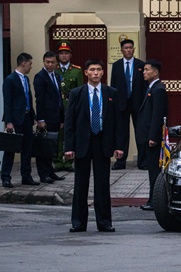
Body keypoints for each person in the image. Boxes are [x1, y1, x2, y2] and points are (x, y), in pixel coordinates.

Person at [64, 59, 125, 233]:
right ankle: (78, 222)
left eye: (99, 69)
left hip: (103, 142)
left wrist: (119, 146)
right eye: (92, 70)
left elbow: (118, 122)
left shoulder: (111, 93)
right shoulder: (77, 93)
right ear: (86, 73)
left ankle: (104, 221)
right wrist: (69, 147)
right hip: (83, 142)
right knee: (80, 184)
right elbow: (70, 123)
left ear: (103, 72)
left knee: (102, 184)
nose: (96, 73)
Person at [0, 53, 39, 188]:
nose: (30, 67)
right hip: (16, 119)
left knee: (27, 148)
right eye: (30, 64)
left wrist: (33, 116)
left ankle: (26, 176)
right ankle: (5, 177)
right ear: (23, 63)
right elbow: (8, 102)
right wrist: (9, 121)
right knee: (10, 148)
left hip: (27, 118)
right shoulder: (10, 79)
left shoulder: (26, 79)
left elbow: (28, 97)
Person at [136, 60, 168, 211]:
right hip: (146, 135)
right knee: (151, 170)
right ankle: (151, 199)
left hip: (152, 137)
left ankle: (154, 200)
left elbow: (157, 115)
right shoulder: (150, 88)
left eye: (147, 70)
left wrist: (153, 137)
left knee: (154, 171)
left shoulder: (158, 89)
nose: (144, 72)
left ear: (155, 72)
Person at [110, 39, 147, 170]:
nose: (128, 50)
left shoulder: (141, 65)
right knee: (121, 133)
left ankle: (143, 162)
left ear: (134, 49)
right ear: (121, 50)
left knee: (141, 133)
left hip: (137, 103)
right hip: (121, 104)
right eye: (126, 48)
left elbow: (144, 86)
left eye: (131, 47)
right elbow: (113, 86)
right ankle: (120, 162)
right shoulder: (116, 65)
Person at [33, 51, 66, 184]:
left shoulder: (57, 76)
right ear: (44, 62)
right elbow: (39, 100)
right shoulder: (40, 77)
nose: (50, 64)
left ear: (56, 62)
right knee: (43, 147)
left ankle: (51, 172)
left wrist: (62, 118)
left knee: (52, 146)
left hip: (56, 116)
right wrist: (40, 119)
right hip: (45, 117)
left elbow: (59, 98)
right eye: (47, 62)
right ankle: (43, 174)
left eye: (52, 62)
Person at [55, 40, 83, 172]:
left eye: (66, 53)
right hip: (57, 106)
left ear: (70, 55)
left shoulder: (76, 71)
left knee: (70, 133)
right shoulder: (54, 70)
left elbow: (80, 91)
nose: (64, 56)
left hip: (70, 106)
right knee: (58, 135)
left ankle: (69, 161)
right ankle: (58, 161)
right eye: (61, 53)